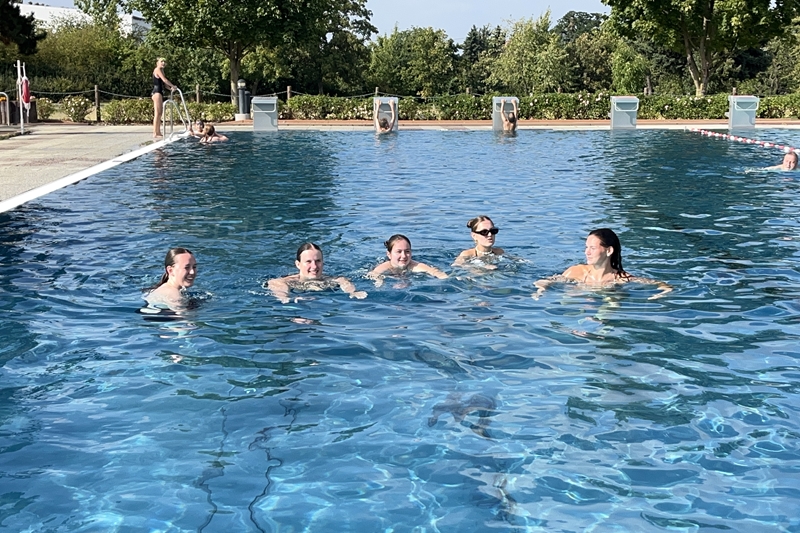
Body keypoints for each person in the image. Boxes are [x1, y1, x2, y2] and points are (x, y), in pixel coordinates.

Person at [533, 228, 672, 299]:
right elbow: (547, 280)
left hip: (604, 308)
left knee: (614, 301)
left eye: (592, 248)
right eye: (586, 247)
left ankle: (602, 328)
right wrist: (541, 290)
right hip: (574, 306)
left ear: (609, 250)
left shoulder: (622, 278)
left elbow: (661, 285)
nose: (587, 252)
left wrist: (661, 293)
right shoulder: (576, 271)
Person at [267, 243, 367, 303]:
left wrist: (352, 292)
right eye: (308, 261)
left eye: (318, 261)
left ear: (323, 262)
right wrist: (283, 296)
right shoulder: (288, 281)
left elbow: (344, 281)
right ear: (298, 264)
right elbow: (276, 284)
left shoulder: (332, 279)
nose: (314, 266)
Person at [367, 234, 448, 286]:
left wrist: (443, 277)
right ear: (389, 254)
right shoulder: (386, 267)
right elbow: (373, 274)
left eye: (407, 251)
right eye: (399, 252)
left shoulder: (414, 265)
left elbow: (432, 270)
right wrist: (379, 280)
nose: (404, 256)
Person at [152, 57, 177, 139]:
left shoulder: (162, 71)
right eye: (161, 61)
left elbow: (165, 85)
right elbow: (165, 80)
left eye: (164, 61)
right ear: (157, 63)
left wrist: (171, 88)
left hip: (160, 92)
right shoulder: (157, 70)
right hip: (156, 93)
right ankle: (155, 132)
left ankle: (158, 132)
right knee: (157, 113)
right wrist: (173, 85)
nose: (163, 63)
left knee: (160, 113)